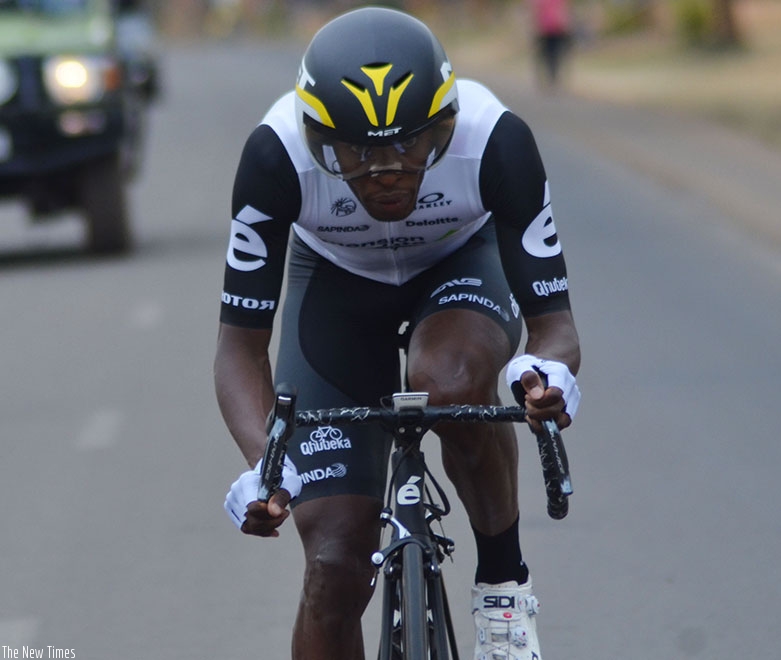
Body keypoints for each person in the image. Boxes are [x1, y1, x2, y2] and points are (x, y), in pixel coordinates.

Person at [216, 7, 581, 660]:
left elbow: (554, 327)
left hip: (460, 264)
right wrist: (264, 468)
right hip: (335, 283)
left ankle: (503, 588)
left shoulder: (494, 138)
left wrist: (547, 375)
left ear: (446, 124)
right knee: (334, 566)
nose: (386, 171)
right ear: (314, 137)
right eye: (355, 151)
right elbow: (239, 350)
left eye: (412, 145)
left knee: (448, 382)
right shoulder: (275, 154)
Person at [531, 0, 573, 88]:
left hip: (554, 28)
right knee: (550, 55)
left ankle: (552, 77)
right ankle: (550, 77)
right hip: (548, 29)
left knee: (552, 55)